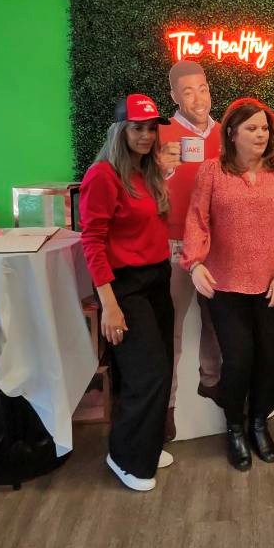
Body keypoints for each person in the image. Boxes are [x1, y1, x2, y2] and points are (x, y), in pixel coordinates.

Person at [182, 98, 274, 471]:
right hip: (225, 286)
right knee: (238, 360)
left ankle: (258, 423)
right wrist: (194, 264)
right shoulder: (212, 172)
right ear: (232, 133)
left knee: (268, 358)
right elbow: (196, 220)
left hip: (270, 286)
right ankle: (234, 428)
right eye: (251, 128)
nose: (260, 134)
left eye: (264, 128)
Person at [79, 93, 175, 492]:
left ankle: (145, 444)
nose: (146, 136)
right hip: (125, 286)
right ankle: (126, 458)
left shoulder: (147, 172)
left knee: (161, 366)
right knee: (147, 374)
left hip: (157, 278)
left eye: (151, 128)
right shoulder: (103, 176)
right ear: (120, 130)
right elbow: (92, 241)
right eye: (138, 128)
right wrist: (110, 305)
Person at [158, 60, 223, 438]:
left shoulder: (226, 132)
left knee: (218, 320)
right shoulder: (161, 134)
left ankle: (211, 380)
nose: (199, 98)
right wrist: (160, 170)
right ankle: (166, 405)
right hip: (176, 243)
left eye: (203, 88)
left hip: (218, 243)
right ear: (174, 96)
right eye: (188, 91)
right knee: (173, 327)